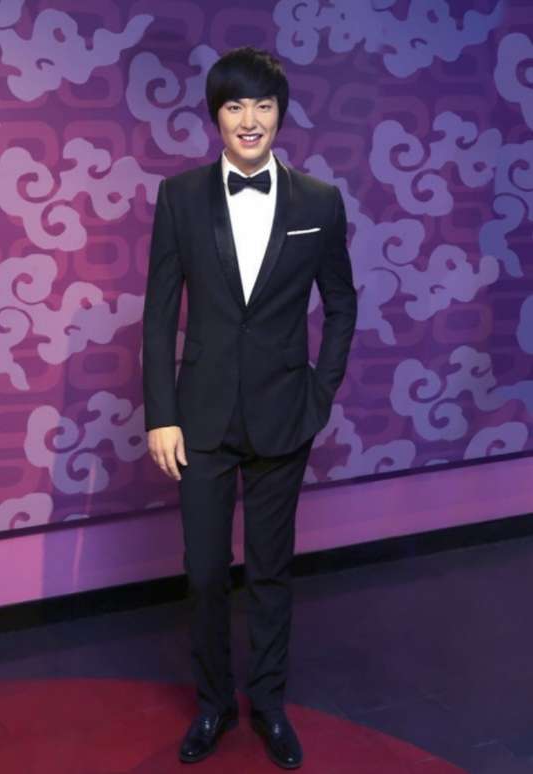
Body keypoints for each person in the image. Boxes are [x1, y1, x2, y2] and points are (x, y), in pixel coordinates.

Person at [142, 46, 357, 768]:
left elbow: (342, 303)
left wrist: (319, 394)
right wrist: (161, 414)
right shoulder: (179, 197)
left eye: (263, 105)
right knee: (205, 572)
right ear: (216, 116)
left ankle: (268, 704)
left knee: (270, 571)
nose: (250, 119)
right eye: (235, 105)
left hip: (283, 415)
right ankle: (213, 706)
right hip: (199, 418)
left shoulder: (319, 202)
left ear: (280, 114)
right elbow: (157, 315)